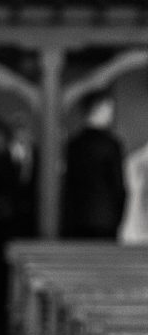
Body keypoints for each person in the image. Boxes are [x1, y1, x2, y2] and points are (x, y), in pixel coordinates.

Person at [0, 118, 38, 335]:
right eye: (20, 131)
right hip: (5, 228)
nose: (24, 136)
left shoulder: (38, 158)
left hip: (29, 227)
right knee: (1, 277)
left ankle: (24, 326)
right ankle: (1, 325)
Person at [61, 89, 127, 239]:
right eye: (109, 108)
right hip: (106, 220)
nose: (111, 113)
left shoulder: (73, 144)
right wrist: (117, 215)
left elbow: (68, 184)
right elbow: (118, 186)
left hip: (75, 219)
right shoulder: (111, 145)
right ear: (98, 107)